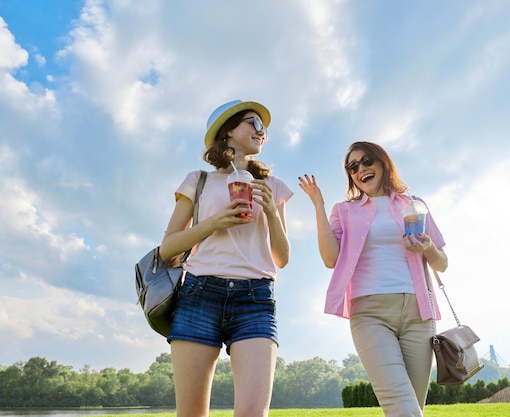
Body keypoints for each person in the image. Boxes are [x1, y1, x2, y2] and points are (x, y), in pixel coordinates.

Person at [160, 100, 293, 417]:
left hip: (255, 298)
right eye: (254, 123)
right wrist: (214, 223)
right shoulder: (198, 181)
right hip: (198, 295)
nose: (262, 132)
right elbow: (168, 249)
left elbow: (282, 257)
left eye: (265, 128)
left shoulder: (273, 186)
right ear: (229, 130)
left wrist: (272, 212)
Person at [298, 141, 448, 417]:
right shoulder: (343, 211)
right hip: (370, 313)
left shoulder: (414, 204)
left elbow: (442, 263)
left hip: (419, 314)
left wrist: (427, 247)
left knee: (413, 406)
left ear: (382, 163)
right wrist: (318, 205)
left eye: (366, 161)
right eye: (352, 167)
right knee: (400, 404)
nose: (360, 169)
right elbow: (331, 259)